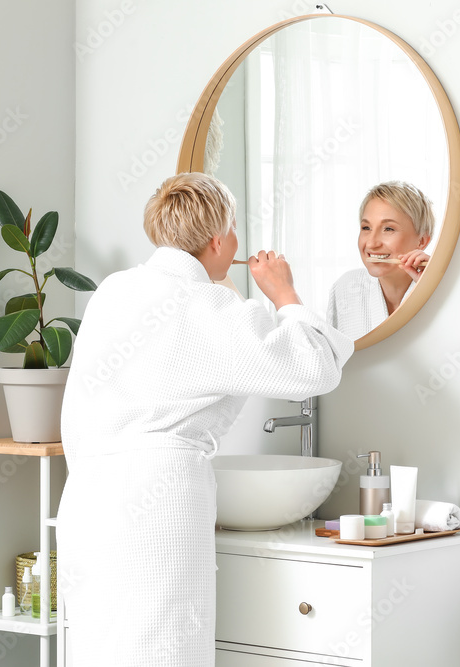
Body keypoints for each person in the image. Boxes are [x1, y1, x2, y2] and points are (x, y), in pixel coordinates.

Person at [56, 172, 353, 667]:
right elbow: (312, 367)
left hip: (87, 503)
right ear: (218, 239)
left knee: (102, 651)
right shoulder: (203, 306)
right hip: (158, 505)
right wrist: (283, 292)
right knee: (162, 651)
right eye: (234, 228)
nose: (238, 241)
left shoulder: (115, 290)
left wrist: (222, 285)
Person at [326, 181, 435, 339]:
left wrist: (430, 288)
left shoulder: (441, 290)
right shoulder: (345, 288)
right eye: (366, 228)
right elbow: (334, 359)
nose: (371, 243)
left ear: (422, 241)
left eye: (388, 229)